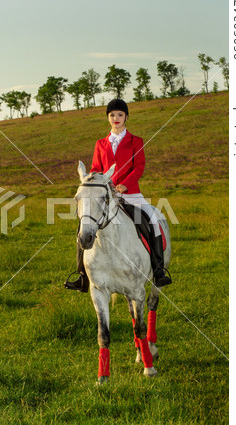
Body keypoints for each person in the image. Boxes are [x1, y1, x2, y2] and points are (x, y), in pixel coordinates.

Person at [64, 98, 172, 293]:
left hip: (132, 195)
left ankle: (158, 271)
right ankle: (82, 276)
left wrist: (124, 185)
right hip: (106, 197)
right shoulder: (100, 144)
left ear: (126, 117)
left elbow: (139, 167)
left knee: (153, 221)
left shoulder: (135, 141)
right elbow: (97, 169)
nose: (116, 118)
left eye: (120, 115)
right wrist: (95, 183)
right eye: (112, 115)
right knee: (84, 226)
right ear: (108, 118)